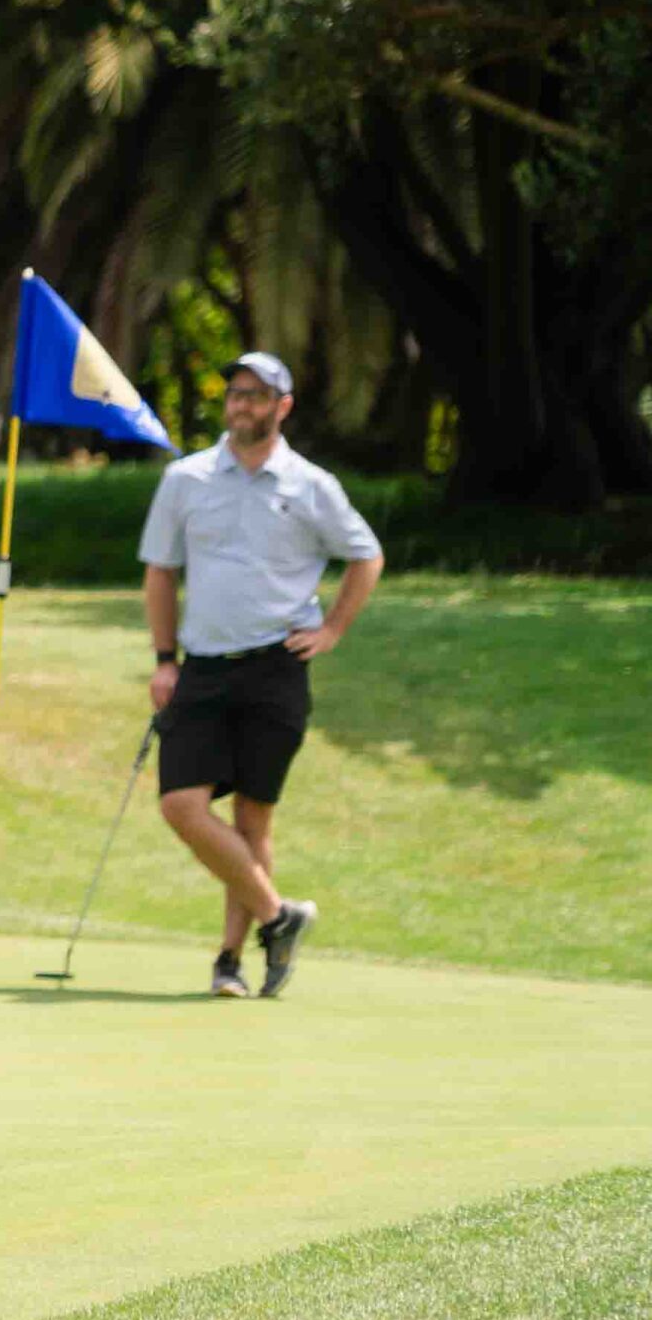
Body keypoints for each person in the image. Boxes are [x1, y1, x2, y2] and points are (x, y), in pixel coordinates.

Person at [138, 350, 383, 1000]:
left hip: (277, 669)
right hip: (202, 669)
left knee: (254, 821)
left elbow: (366, 556)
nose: (241, 404)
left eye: (256, 394)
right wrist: (164, 660)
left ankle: (231, 962)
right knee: (181, 805)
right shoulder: (186, 479)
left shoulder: (311, 485)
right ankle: (279, 917)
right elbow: (160, 570)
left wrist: (332, 630)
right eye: (235, 394)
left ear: (283, 406)